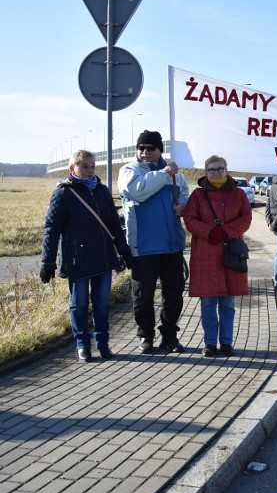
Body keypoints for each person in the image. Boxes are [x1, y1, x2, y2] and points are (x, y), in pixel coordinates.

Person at [40, 150, 133, 362]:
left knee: (101, 304)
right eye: (84, 166)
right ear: (72, 169)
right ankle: (82, 344)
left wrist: (124, 250)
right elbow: (51, 228)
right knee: (79, 304)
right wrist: (48, 262)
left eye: (92, 166)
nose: (90, 170)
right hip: (78, 259)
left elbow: (113, 225)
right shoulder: (63, 194)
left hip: (103, 257)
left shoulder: (101, 191)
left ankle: (103, 343)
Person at [117, 130, 190, 354]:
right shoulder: (129, 170)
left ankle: (169, 335)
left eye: (151, 148)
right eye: (141, 148)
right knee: (143, 296)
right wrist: (164, 173)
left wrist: (183, 205)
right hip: (143, 247)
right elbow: (138, 191)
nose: (145, 152)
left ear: (160, 150)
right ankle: (146, 336)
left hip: (171, 245)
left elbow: (185, 193)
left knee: (173, 294)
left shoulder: (175, 173)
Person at [183, 156, 252, 357]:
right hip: (205, 254)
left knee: (228, 303)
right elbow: (190, 219)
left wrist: (226, 231)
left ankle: (227, 342)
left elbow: (246, 218)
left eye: (219, 169)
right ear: (205, 172)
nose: (216, 172)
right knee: (208, 303)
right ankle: (210, 343)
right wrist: (209, 231)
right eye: (211, 169)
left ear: (226, 170)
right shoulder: (197, 195)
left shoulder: (238, 194)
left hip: (230, 254)